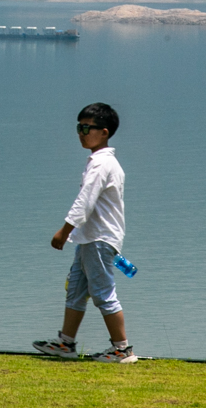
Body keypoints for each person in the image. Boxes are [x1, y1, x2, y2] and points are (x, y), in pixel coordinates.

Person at [33, 102, 136, 363]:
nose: (81, 132)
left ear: (104, 132)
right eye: (78, 127)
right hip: (88, 238)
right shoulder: (99, 161)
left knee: (103, 293)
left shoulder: (102, 164)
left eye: (86, 128)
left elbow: (85, 200)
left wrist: (64, 231)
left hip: (99, 239)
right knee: (76, 290)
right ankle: (65, 344)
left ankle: (122, 350)